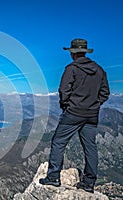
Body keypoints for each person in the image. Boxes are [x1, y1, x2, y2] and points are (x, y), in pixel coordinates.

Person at [39, 38, 110, 193]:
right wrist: (95, 105)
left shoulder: (71, 69)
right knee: (90, 147)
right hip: (91, 115)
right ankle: (89, 183)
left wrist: (67, 106)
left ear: (73, 53)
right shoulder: (99, 70)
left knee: (58, 142)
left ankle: (53, 177)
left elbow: (64, 90)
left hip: (73, 113)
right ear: (84, 52)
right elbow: (105, 93)